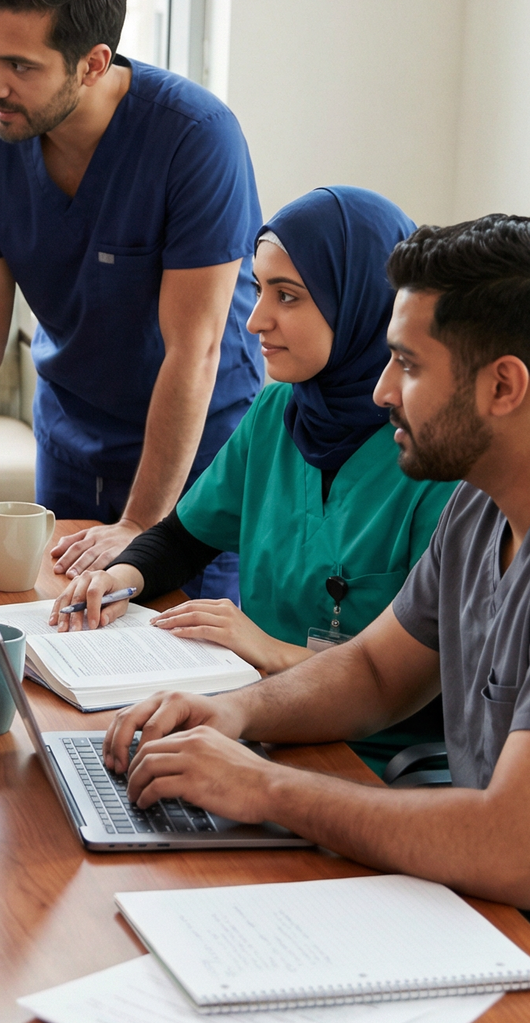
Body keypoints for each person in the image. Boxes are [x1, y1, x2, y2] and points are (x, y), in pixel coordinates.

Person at [100, 215, 530, 1023]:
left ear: (503, 387)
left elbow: (517, 850)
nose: (380, 391)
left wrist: (265, 789)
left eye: (407, 365)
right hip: (479, 924)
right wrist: (238, 717)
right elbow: (375, 672)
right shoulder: (486, 494)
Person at [0, 0, 262, 598]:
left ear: (92, 64)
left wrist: (142, 524)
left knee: (186, 668)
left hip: (200, 453)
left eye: (19, 66)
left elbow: (196, 352)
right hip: (73, 438)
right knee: (63, 647)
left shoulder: (196, 139)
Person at [55, 186, 457, 772]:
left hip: (366, 763)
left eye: (288, 296)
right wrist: (120, 577)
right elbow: (184, 539)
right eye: (260, 288)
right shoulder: (278, 413)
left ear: (362, 302)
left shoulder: (435, 460)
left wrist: (269, 651)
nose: (254, 320)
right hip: (254, 723)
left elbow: (419, 691)